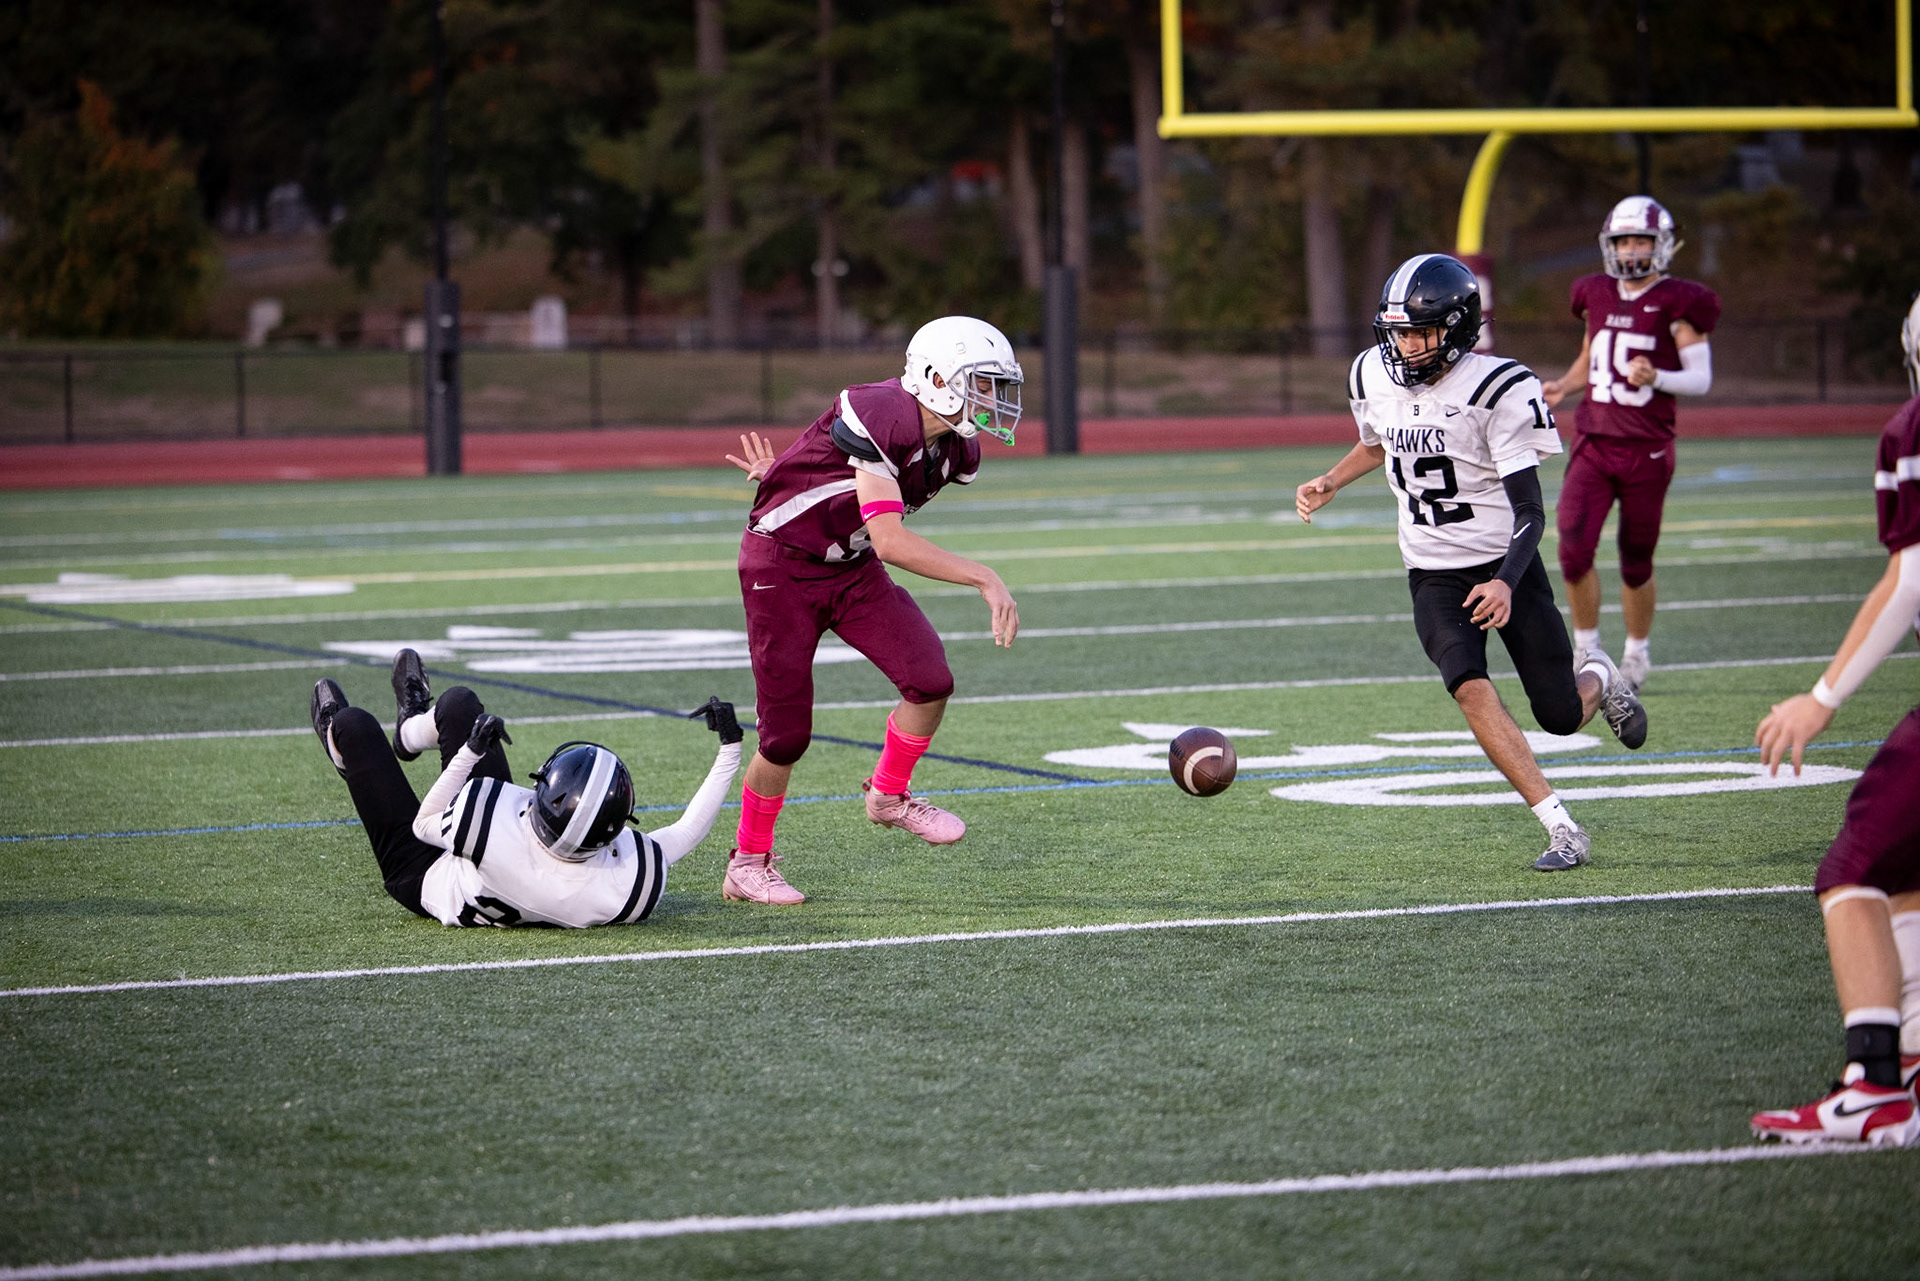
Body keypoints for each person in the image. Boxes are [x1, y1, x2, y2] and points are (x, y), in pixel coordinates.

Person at [1295, 253, 1648, 872]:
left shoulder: (1499, 388)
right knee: (1467, 684)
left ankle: (1600, 674)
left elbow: (1533, 513)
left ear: (1458, 329)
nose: (1404, 345)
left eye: (1420, 332)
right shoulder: (1370, 374)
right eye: (1397, 331)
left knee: (1562, 716)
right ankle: (1560, 825)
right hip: (1431, 570)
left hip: (1503, 563)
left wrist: (1507, 583)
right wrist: (1333, 478)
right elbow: (1379, 441)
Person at [717, 315, 1024, 906]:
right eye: (981, 382)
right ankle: (748, 862)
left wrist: (789, 475)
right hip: (780, 568)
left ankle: (888, 795)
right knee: (785, 737)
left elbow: (848, 486)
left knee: (930, 679)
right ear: (936, 378)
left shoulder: (954, 449)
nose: (992, 398)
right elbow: (889, 538)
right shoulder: (880, 412)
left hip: (848, 568)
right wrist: (982, 576)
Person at [1749, 293, 1920, 1147]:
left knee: (1851, 868)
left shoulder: (1910, 430)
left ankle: (1875, 1086)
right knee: (1903, 864)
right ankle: (1911, 1058)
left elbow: (1916, 575)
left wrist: (1822, 696)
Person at [308, 647, 742, 928]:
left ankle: (342, 750)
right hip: (492, 853)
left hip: (423, 875)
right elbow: (687, 831)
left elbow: (424, 825)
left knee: (354, 727)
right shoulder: (623, 885)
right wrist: (730, 747)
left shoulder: (490, 822)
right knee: (458, 703)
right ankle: (407, 732)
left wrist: (470, 754)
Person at [1541, 195, 1721, 693]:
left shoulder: (1680, 301)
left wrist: (1658, 375)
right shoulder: (1594, 293)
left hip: (1648, 448)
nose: (1632, 250)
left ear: (1662, 244)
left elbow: (1701, 379)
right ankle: (1587, 649)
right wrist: (1566, 385)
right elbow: (1592, 353)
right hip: (1595, 441)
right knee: (1574, 548)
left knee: (1635, 558)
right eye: (1624, 241)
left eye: (1641, 240)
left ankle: (1637, 653)